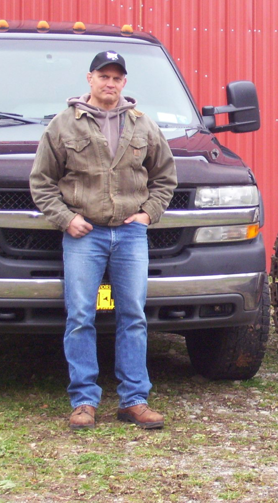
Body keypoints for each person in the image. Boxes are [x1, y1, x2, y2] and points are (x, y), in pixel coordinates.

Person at [30, 50, 177, 430]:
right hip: (85, 235)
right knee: (80, 316)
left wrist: (147, 214)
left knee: (134, 316)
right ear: (89, 79)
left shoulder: (143, 126)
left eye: (116, 77)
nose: (110, 83)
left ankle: (134, 400)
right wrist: (66, 219)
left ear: (124, 83)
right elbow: (42, 182)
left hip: (130, 235)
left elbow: (165, 177)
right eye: (103, 76)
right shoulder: (63, 125)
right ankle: (83, 401)